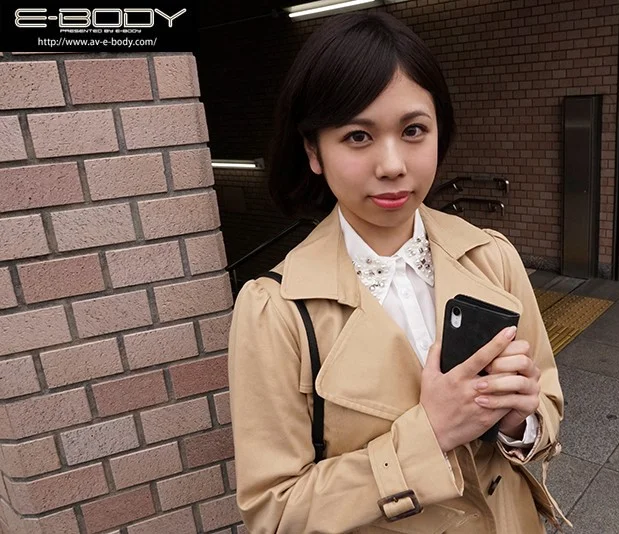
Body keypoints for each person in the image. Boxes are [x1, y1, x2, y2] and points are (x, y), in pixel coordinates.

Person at [228, 11, 566, 534]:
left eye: (413, 130)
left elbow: (546, 398)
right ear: (313, 151)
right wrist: (429, 435)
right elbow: (274, 512)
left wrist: (519, 423)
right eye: (357, 136)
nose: (392, 164)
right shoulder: (275, 311)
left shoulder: (491, 257)